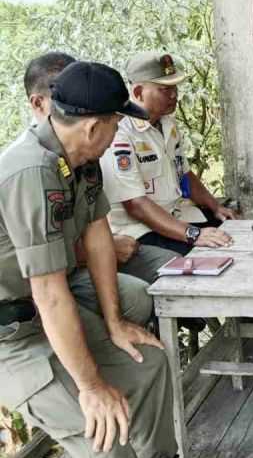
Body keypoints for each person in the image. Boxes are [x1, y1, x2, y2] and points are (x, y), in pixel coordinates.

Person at [0, 61, 178, 458]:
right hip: (13, 337)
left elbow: (99, 234)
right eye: (117, 122)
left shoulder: (80, 157)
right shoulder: (29, 172)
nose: (119, 132)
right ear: (93, 127)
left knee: (150, 365)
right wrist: (93, 387)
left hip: (49, 318)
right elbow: (49, 292)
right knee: (106, 441)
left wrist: (115, 323)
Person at [24, 52, 180, 287]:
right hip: (36, 287)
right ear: (38, 103)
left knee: (138, 297)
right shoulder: (32, 167)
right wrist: (94, 251)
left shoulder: (86, 155)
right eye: (60, 95)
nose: (73, 102)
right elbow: (40, 270)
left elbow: (94, 225)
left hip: (90, 256)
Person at [99, 51, 235, 258]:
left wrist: (215, 206)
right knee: (207, 257)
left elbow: (184, 173)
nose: (174, 95)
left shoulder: (167, 124)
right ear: (138, 92)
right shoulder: (120, 133)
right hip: (140, 230)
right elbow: (136, 206)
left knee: (234, 234)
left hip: (176, 217)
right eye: (164, 89)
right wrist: (192, 234)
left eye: (175, 88)